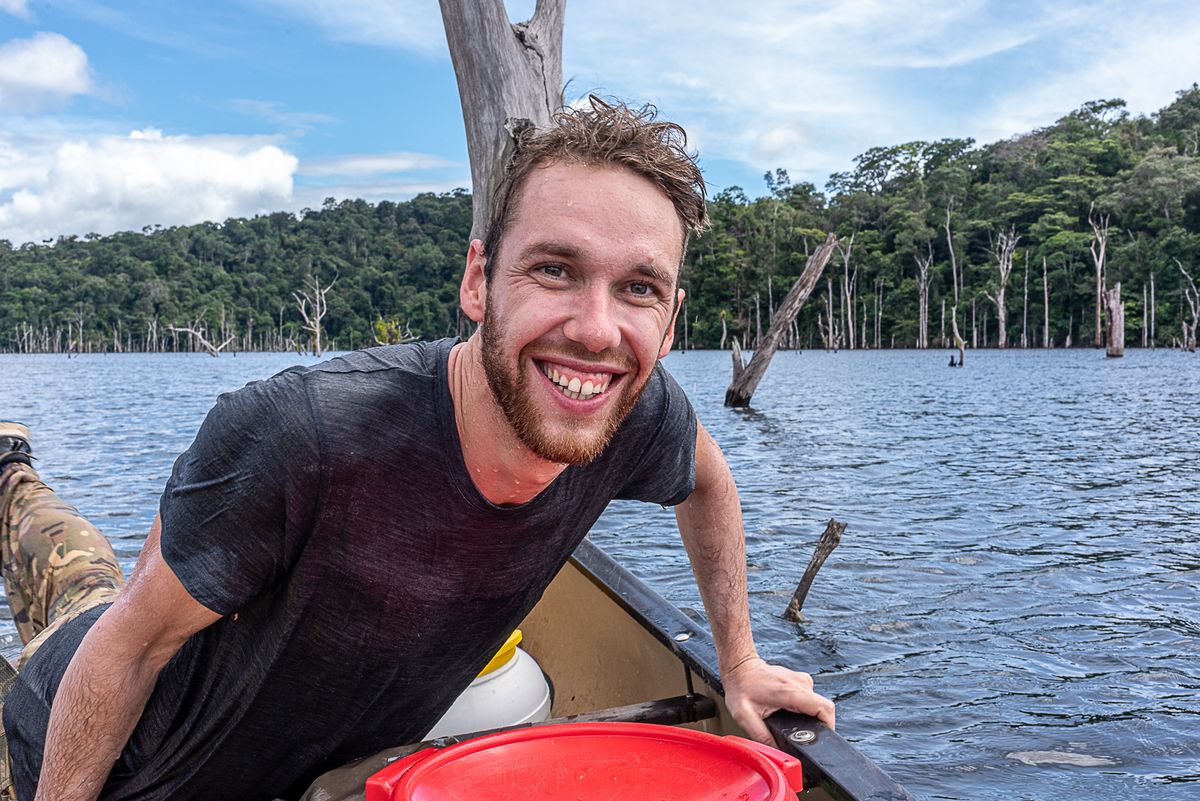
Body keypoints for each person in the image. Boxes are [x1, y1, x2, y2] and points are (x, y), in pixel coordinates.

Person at [0, 97, 835, 801]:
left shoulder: (634, 405)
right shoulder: (307, 432)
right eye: (554, 269)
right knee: (86, 595)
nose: (595, 327)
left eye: (638, 287)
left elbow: (708, 480)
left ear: (671, 316)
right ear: (478, 280)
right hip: (77, 751)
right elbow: (128, 648)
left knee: (88, 575)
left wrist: (740, 660)